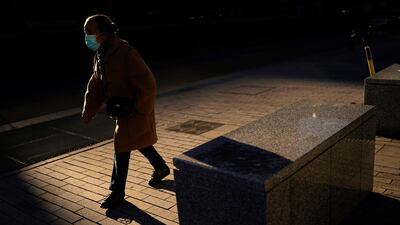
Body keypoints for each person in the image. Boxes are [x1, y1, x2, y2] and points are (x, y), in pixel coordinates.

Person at [81, 14, 170, 209]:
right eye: (85, 32)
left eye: (89, 33)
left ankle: (117, 192)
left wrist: (139, 109)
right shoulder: (101, 54)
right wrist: (90, 108)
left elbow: (148, 83)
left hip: (134, 110)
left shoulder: (126, 52)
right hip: (122, 110)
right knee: (138, 142)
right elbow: (96, 84)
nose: (86, 37)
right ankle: (160, 167)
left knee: (121, 147)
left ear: (104, 34)